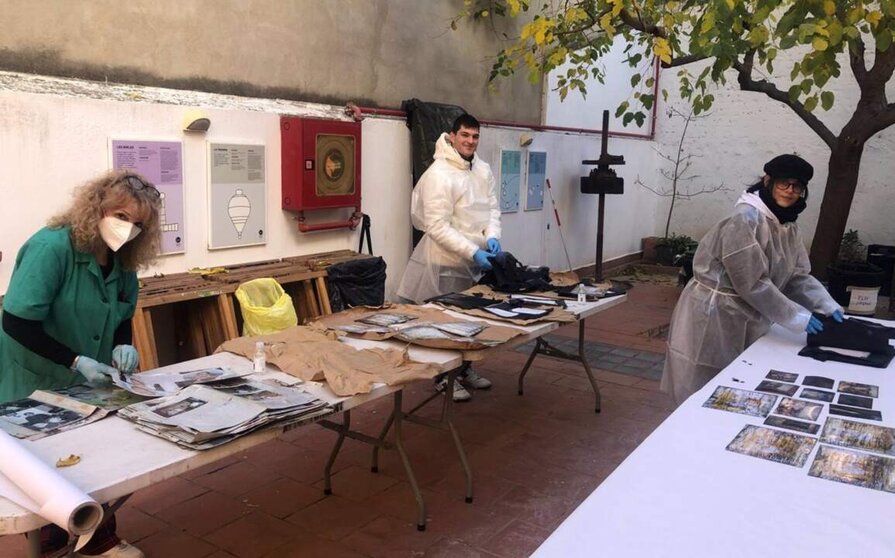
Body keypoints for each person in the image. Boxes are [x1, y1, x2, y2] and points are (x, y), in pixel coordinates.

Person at [0, 170, 161, 558]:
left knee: (96, 457)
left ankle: (99, 540)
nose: (128, 229)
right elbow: (16, 320)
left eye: (139, 224)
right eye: (121, 216)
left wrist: (124, 347)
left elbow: (122, 315)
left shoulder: (124, 260)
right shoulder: (52, 247)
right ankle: (53, 538)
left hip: (88, 378)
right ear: (97, 207)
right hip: (35, 371)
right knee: (43, 465)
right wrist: (76, 360)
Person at [660, 154, 844, 405]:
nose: (790, 192)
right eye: (784, 184)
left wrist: (825, 304)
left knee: (740, 383)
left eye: (797, 186)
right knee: (704, 382)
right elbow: (751, 283)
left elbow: (796, 275)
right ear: (768, 181)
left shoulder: (786, 223)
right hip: (716, 314)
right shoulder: (745, 219)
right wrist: (797, 316)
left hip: (749, 312)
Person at [396, 114, 501, 401]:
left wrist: (492, 235)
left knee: (471, 319)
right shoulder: (438, 175)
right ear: (452, 136)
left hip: (473, 262)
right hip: (442, 262)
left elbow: (492, 209)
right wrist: (473, 251)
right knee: (444, 323)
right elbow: (436, 226)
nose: (470, 141)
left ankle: (465, 369)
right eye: (465, 135)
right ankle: (444, 376)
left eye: (475, 136)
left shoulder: (482, 170)